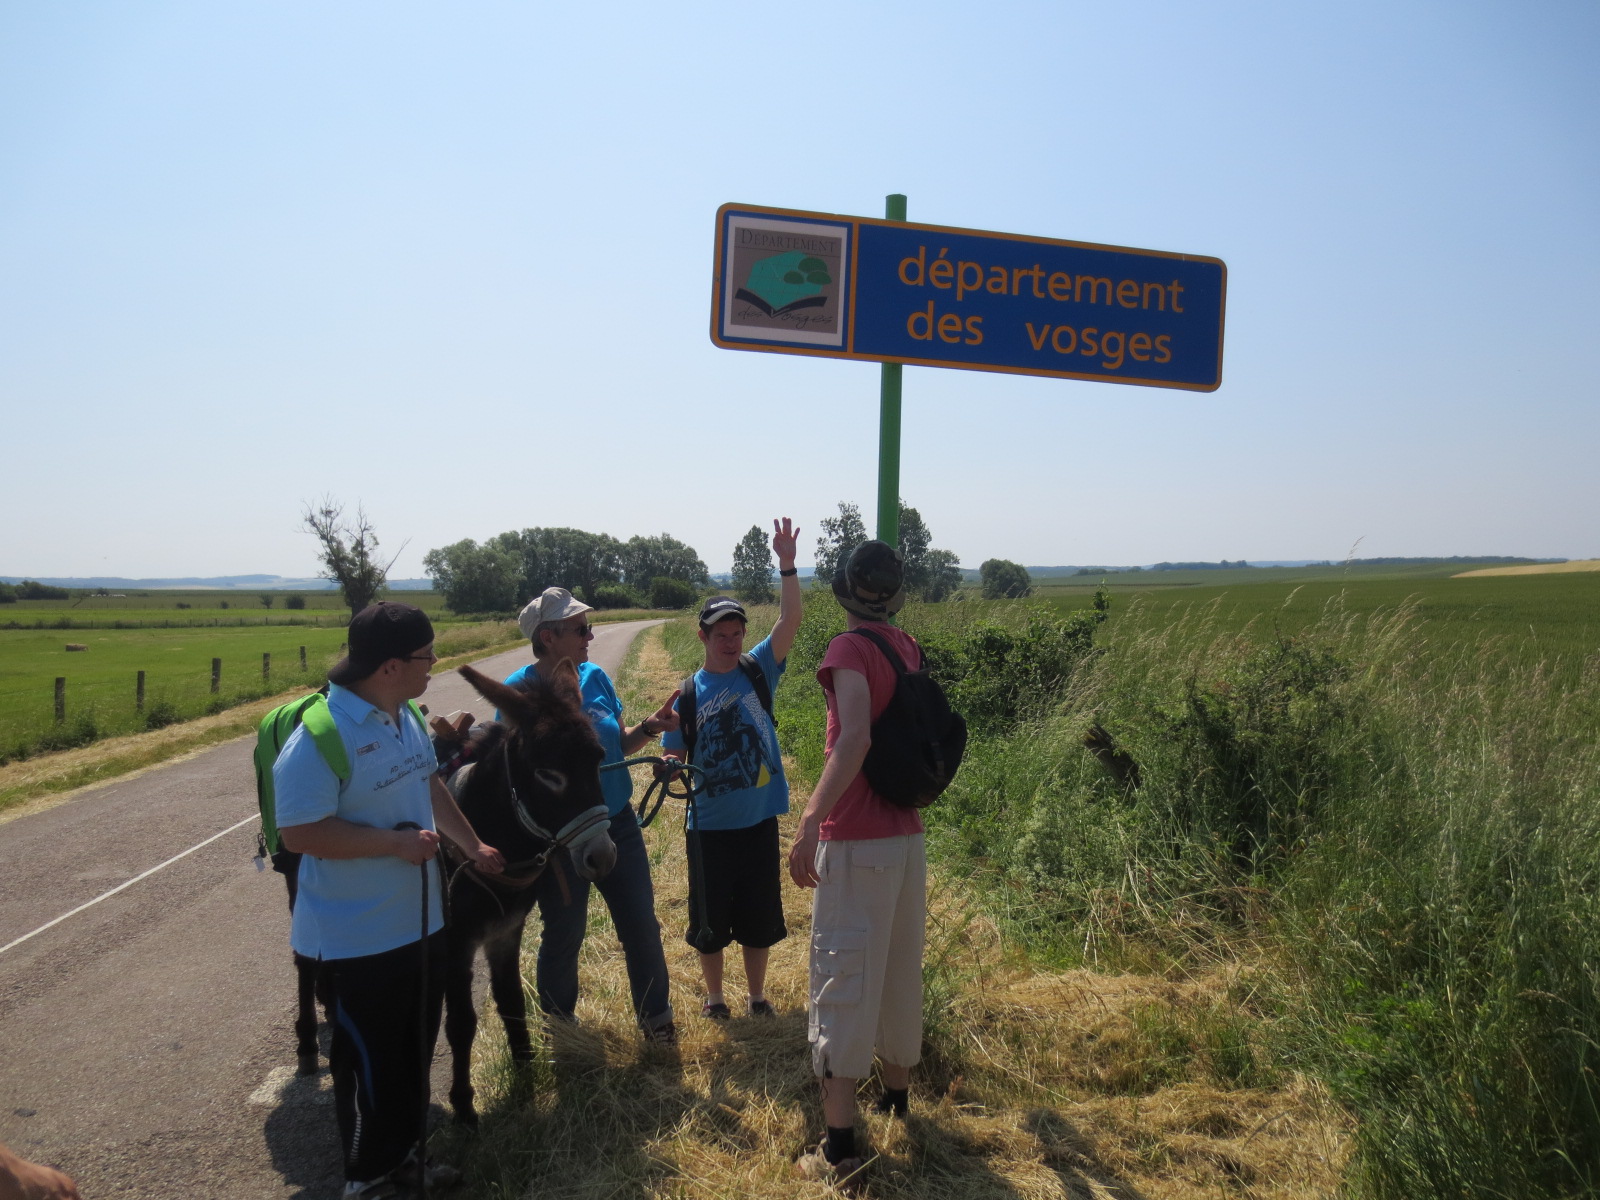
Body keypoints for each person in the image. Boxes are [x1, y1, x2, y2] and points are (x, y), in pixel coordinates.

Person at [275, 601, 505, 1200]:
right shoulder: (319, 738)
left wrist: (473, 845)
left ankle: (401, 1158)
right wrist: (392, 846)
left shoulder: (401, 716)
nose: (435, 667)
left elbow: (428, 785)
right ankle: (364, 1179)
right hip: (357, 938)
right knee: (368, 1065)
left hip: (419, 924)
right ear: (391, 666)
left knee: (410, 1055)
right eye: (428, 656)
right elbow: (298, 833)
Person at [787, 541, 926, 1188]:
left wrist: (812, 819)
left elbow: (855, 740)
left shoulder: (848, 651)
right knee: (899, 968)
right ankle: (895, 1099)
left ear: (842, 591)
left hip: (859, 840)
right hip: (906, 836)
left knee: (842, 975)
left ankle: (838, 1145)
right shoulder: (906, 647)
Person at [502, 587, 683, 1042]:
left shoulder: (595, 676)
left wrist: (648, 730)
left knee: (641, 923)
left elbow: (616, 743)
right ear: (548, 637)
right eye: (581, 629)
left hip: (615, 822)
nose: (591, 635)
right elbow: (515, 776)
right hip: (561, 838)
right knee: (565, 933)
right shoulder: (519, 693)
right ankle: (560, 1032)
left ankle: (656, 1021)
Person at [660, 518, 802, 1020]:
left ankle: (757, 997)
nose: (732, 641)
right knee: (710, 920)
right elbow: (673, 753)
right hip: (710, 827)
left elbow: (789, 622)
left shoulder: (759, 669)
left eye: (738, 632)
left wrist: (786, 565)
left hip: (759, 819)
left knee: (760, 916)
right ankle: (715, 998)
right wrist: (670, 768)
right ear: (702, 635)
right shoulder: (688, 693)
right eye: (722, 634)